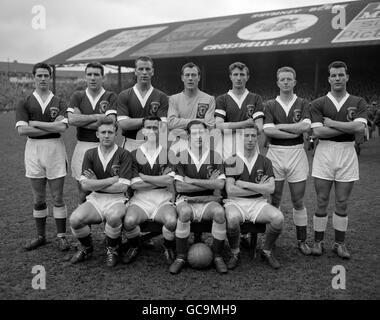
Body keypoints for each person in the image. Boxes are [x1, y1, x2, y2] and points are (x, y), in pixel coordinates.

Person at [310, 61, 367, 259]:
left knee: (342, 202)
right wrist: (348, 125)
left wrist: (333, 123)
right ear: (329, 79)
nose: (337, 78)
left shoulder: (358, 101)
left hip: (347, 151)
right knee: (322, 200)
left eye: (340, 75)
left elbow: (360, 128)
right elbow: (318, 131)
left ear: (347, 77)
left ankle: (339, 244)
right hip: (325, 152)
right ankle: (318, 242)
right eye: (333, 75)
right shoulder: (318, 103)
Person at [15, 62, 69, 251]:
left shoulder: (60, 101)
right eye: (39, 75)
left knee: (58, 197)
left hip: (55, 150)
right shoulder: (25, 102)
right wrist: (50, 127)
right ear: (33, 77)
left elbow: (62, 128)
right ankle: (41, 236)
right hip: (33, 151)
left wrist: (36, 124)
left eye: (46, 75)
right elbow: (22, 130)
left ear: (50, 77)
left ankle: (62, 236)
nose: (43, 79)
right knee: (38, 198)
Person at [69, 117, 132, 267]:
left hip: (117, 199)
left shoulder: (124, 154)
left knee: (114, 216)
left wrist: (95, 182)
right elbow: (84, 185)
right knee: (75, 220)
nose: (106, 135)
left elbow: (122, 187)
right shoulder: (90, 153)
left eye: (110, 132)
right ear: (97, 134)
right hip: (96, 198)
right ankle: (87, 248)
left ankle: (113, 249)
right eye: (103, 132)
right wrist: (110, 180)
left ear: (116, 134)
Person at [263, 66, 312, 255]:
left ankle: (302, 241)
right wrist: (294, 128)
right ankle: (270, 240)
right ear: (277, 82)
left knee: (298, 200)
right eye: (282, 79)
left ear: (294, 82)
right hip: (275, 153)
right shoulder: (269, 105)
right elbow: (268, 130)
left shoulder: (303, 102)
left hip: (297, 153)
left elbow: (305, 127)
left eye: (289, 79)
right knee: (273, 199)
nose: (285, 82)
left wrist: (280, 126)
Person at [169, 120, 227, 275]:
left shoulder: (215, 156)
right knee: (185, 213)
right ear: (188, 136)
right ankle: (181, 257)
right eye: (194, 133)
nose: (198, 136)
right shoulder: (180, 156)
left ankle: (217, 256)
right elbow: (180, 187)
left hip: (209, 200)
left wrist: (193, 181)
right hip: (186, 200)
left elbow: (220, 185)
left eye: (201, 132)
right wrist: (209, 183)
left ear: (207, 134)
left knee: (220, 213)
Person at [224, 126, 284, 269]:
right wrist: (259, 188)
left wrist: (244, 184)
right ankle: (235, 252)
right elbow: (231, 190)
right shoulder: (232, 160)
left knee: (278, 218)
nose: (250, 139)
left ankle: (267, 251)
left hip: (258, 203)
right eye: (246, 136)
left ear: (258, 138)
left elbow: (270, 189)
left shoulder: (265, 161)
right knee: (232, 219)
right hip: (235, 203)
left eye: (253, 136)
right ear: (241, 138)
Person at [122, 116, 177, 265]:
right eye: (148, 128)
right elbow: (134, 185)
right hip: (141, 199)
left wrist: (144, 177)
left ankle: (168, 246)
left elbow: (169, 180)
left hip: (162, 199)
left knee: (171, 221)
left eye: (155, 127)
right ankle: (135, 246)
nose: (152, 131)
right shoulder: (133, 154)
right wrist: (159, 181)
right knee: (129, 221)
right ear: (143, 130)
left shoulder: (169, 153)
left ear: (160, 130)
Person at [67, 61, 117, 204]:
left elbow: (111, 122)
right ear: (85, 77)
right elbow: (71, 120)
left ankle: (108, 226)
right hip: (82, 147)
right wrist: (98, 117)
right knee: (83, 193)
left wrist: (82, 119)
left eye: (96, 74)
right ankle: (82, 224)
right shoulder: (78, 96)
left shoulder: (111, 96)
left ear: (103, 77)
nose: (92, 78)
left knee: (108, 192)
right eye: (89, 74)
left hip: (105, 148)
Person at [117, 56, 169, 152]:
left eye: (147, 69)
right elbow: (123, 124)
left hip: (154, 144)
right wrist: (149, 120)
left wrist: (134, 122)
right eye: (141, 69)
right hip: (130, 144)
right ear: (135, 71)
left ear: (152, 71)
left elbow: (163, 126)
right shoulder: (124, 95)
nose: (144, 72)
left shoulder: (162, 96)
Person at [215, 62, 264, 160]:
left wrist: (230, 126)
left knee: (250, 174)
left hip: (250, 144)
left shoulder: (256, 98)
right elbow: (219, 126)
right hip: (228, 147)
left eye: (242, 75)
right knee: (229, 174)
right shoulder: (222, 99)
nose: (238, 78)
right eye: (235, 74)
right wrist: (245, 123)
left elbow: (259, 128)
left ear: (247, 77)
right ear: (230, 77)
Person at [167, 62, 216, 154]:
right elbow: (171, 123)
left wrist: (181, 129)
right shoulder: (173, 99)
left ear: (199, 78)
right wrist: (199, 121)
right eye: (187, 75)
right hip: (179, 145)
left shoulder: (209, 99)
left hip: (201, 145)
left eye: (193, 75)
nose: (190, 78)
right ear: (182, 78)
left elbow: (209, 125)